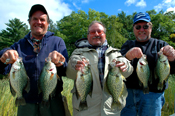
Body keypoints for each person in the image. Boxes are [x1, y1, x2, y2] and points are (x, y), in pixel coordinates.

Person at [0, 4, 69, 116]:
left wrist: (60, 63)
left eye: (42, 19)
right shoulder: (19, 45)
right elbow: (3, 68)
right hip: (26, 103)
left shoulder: (58, 42)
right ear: (29, 22)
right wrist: (4, 53)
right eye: (35, 19)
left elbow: (65, 70)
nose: (39, 22)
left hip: (53, 101)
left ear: (48, 23)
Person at [66, 21, 134, 116]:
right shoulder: (78, 53)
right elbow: (70, 74)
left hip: (111, 111)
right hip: (85, 111)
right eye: (93, 32)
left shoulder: (116, 53)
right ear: (88, 35)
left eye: (99, 31)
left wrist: (126, 65)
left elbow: (128, 73)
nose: (96, 34)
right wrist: (74, 65)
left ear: (104, 34)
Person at [120, 12, 175, 116]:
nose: (141, 30)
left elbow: (172, 70)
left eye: (145, 26)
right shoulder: (128, 45)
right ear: (133, 28)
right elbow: (117, 65)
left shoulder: (161, 45)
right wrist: (127, 56)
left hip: (153, 97)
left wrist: (173, 59)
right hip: (128, 96)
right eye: (138, 27)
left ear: (151, 27)